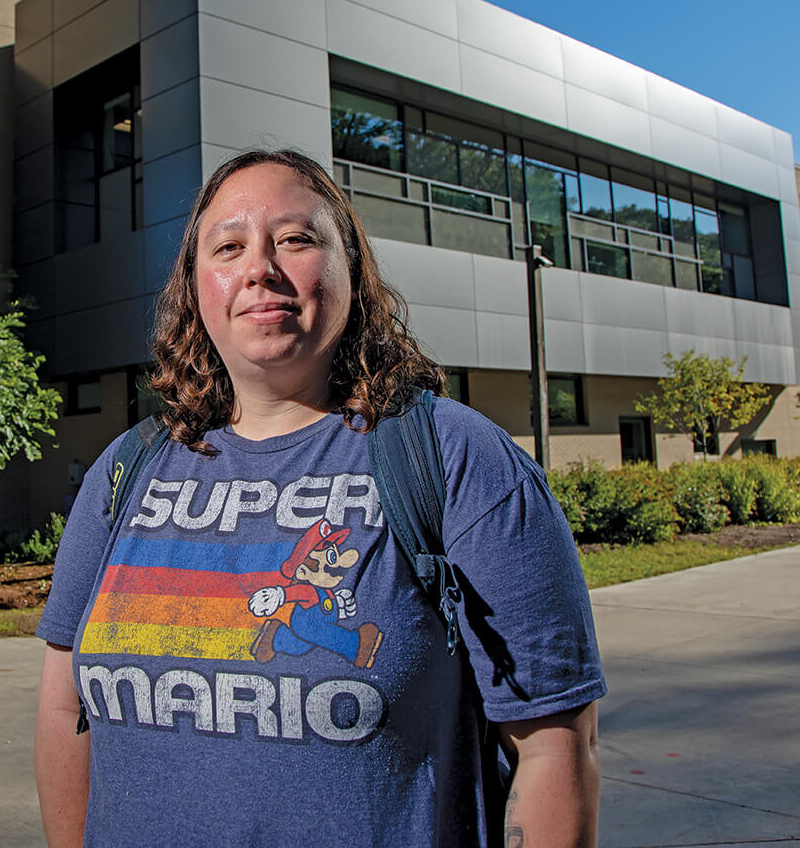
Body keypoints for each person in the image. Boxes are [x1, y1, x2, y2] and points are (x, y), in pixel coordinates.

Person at [33, 150, 604, 847]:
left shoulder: (457, 459)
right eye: (228, 246)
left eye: (296, 239)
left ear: (351, 270)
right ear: (196, 285)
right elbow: (65, 704)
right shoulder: (127, 469)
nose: (259, 268)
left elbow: (554, 746)